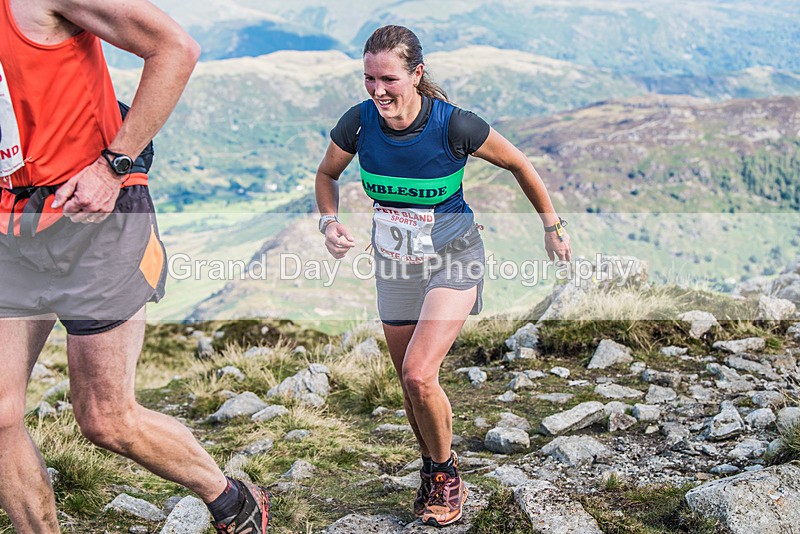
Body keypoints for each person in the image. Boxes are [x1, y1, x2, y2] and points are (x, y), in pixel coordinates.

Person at [0, 1, 270, 532]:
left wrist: (113, 166)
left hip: (99, 220)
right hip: (14, 232)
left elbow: (175, 48)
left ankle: (232, 500)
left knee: (105, 418)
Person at [315, 25, 572, 527]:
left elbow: (520, 164)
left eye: (388, 79)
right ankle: (433, 467)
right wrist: (329, 222)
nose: (377, 90)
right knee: (409, 385)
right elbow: (327, 175)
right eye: (369, 79)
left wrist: (552, 227)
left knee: (418, 373)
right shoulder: (358, 124)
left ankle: (445, 472)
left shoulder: (454, 125)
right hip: (394, 263)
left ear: (416, 74)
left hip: (455, 255)